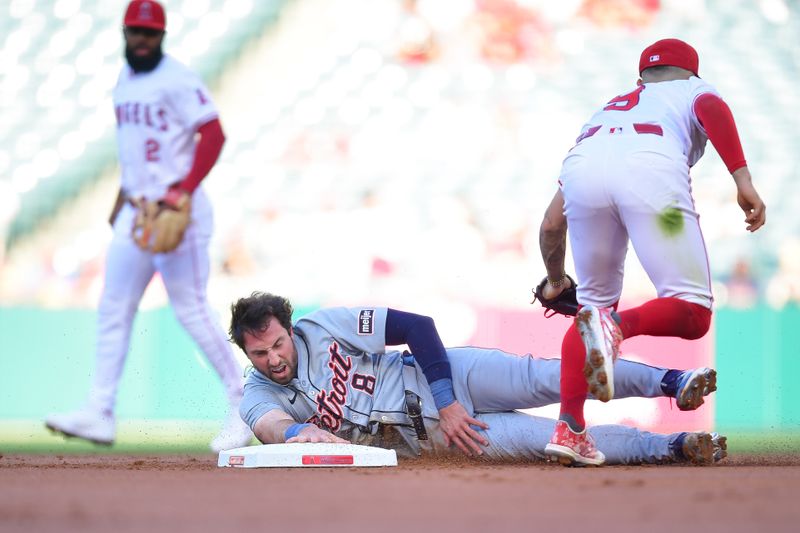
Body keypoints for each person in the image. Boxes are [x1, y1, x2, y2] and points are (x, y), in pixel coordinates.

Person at [537, 38, 765, 465]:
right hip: (650, 166)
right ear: (692, 73)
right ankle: (615, 326)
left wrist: (554, 281)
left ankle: (569, 429)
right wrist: (743, 179)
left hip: (584, 174)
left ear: (639, 78)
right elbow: (713, 110)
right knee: (693, 313)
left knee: (591, 308)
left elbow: (551, 225)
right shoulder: (693, 90)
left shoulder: (604, 112)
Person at [45, 0, 252, 453]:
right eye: (134, 33)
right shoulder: (124, 79)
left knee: (191, 309)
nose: (140, 41)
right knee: (113, 305)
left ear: (162, 35)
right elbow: (134, 147)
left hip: (178, 211)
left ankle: (243, 403)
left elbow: (213, 134)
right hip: (135, 212)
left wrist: (183, 188)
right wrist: (121, 196)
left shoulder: (177, 78)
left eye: (149, 33)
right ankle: (99, 411)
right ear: (124, 33)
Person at [228, 292, 726, 466]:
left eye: (277, 343)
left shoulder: (321, 326)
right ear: (247, 354)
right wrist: (295, 432)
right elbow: (268, 426)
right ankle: (678, 447)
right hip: (443, 436)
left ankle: (674, 381)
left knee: (554, 376)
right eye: (260, 352)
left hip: (445, 378)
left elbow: (416, 327)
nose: (273, 358)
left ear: (289, 329)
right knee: (556, 443)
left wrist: (445, 399)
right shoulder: (258, 390)